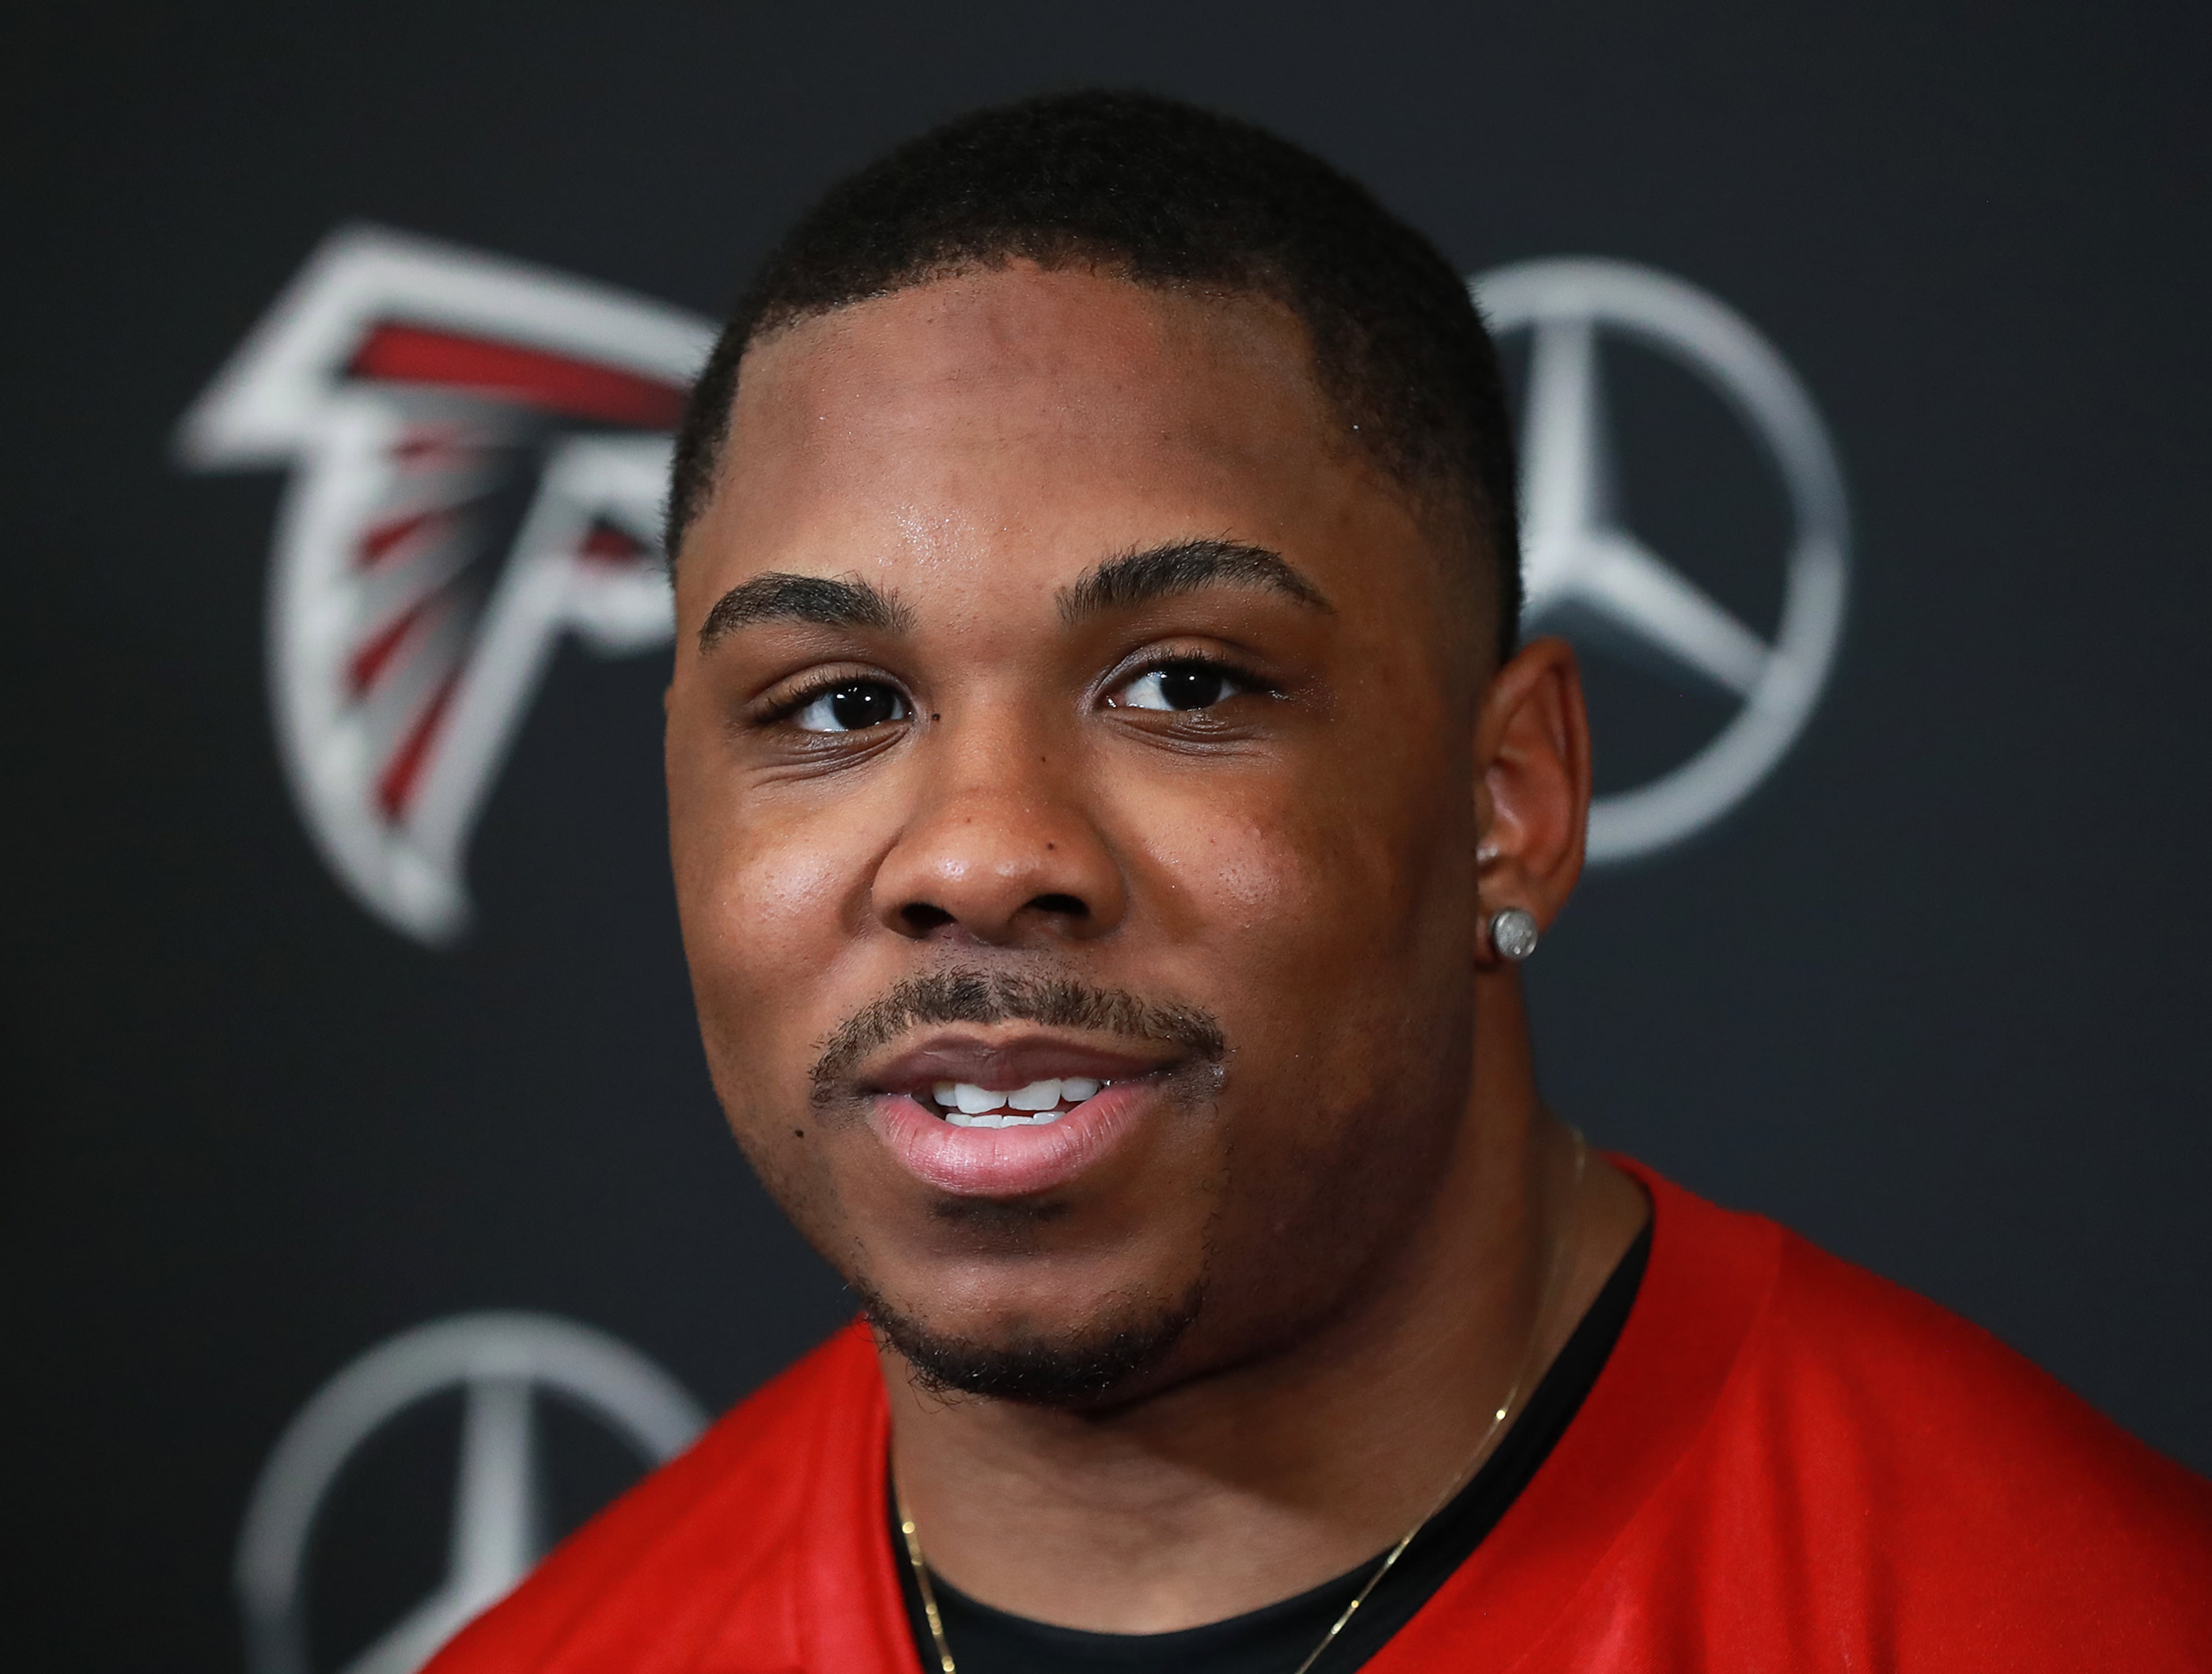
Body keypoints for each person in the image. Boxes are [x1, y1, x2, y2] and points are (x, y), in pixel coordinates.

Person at [429, 90, 2212, 1672]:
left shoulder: (2079, 1619)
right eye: (837, 704)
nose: (977, 855)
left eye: (1186, 684)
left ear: (1510, 799)